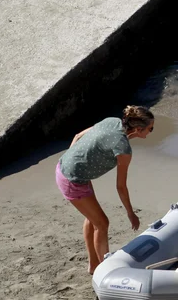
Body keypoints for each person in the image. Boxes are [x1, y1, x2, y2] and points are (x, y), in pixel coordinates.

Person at [55, 105, 155, 274]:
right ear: (138, 129)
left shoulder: (111, 121)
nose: (151, 132)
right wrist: (131, 213)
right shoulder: (123, 150)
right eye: (150, 129)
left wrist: (71, 160)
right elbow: (121, 186)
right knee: (102, 223)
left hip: (65, 168)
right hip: (73, 180)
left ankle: (94, 265)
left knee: (93, 219)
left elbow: (78, 136)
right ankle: (106, 272)